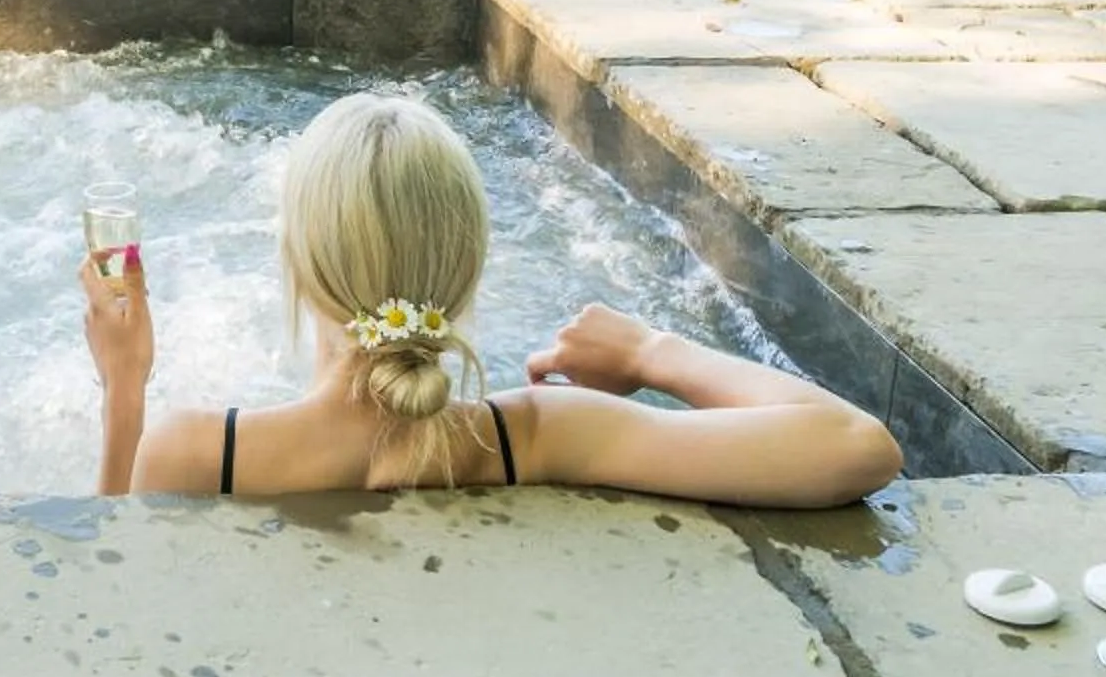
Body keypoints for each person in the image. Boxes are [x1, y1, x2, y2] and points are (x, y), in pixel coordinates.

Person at [80, 92, 900, 504]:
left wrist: (126, 391)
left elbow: (104, 597)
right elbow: (854, 444)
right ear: (468, 268)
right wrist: (657, 353)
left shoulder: (196, 452)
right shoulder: (537, 436)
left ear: (297, 267)